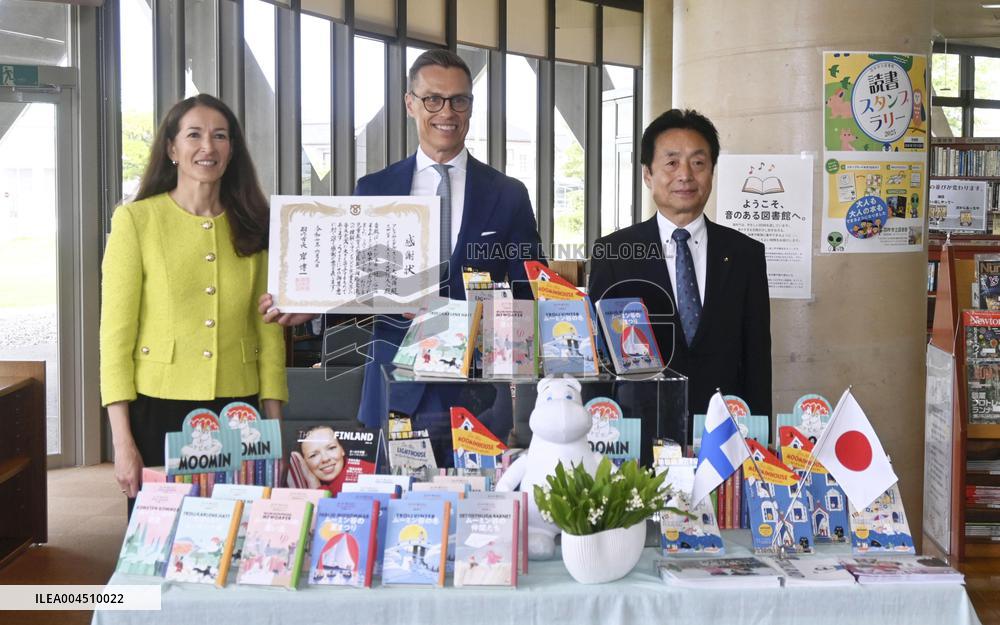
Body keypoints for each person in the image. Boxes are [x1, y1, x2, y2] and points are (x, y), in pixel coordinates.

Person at [262, 50, 543, 464]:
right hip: (396, 386)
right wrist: (310, 305)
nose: (446, 112)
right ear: (410, 103)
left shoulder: (508, 194)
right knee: (399, 516)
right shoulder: (374, 189)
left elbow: (528, 290)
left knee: (482, 515)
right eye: (433, 99)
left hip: (479, 395)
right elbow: (354, 284)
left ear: (470, 106)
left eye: (458, 100)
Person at [101, 94, 287, 503]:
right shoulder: (135, 221)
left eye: (220, 136)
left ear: (232, 149)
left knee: (240, 540)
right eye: (194, 135)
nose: (208, 146)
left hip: (240, 411)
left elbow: (269, 334)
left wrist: (275, 433)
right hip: (158, 410)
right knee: (161, 545)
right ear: (171, 148)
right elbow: (115, 340)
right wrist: (122, 444)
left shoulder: (255, 222)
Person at [588, 109, 772, 449]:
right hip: (638, 435)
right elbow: (599, 359)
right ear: (647, 173)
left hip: (724, 437)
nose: (685, 175)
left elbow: (758, 359)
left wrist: (761, 439)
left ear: (712, 172)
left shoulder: (745, 254)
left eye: (698, 163)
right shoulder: (613, 253)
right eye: (672, 163)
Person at [287, 425, 348, 495]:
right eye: (313, 455)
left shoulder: (361, 472)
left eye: (331, 448)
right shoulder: (299, 481)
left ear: (342, 449)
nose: (325, 459)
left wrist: (317, 487)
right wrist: (311, 480)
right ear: (303, 462)